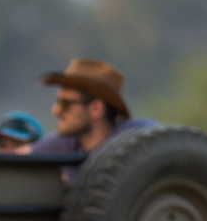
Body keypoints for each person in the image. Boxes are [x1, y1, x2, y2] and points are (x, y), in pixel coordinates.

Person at [29, 57, 158, 160]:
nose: (55, 111)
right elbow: (18, 157)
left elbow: (170, 145)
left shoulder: (137, 139)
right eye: (57, 102)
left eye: (65, 104)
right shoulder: (66, 143)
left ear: (96, 109)